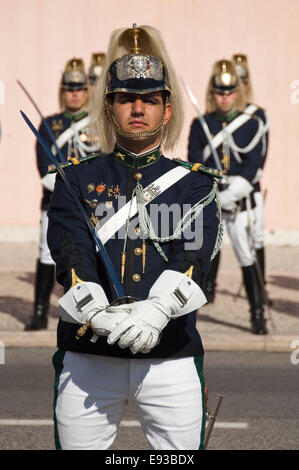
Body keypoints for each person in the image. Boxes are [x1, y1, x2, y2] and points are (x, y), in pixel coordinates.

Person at [47, 25, 221, 450]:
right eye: (126, 98)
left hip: (170, 356)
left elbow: (195, 256)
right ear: (109, 108)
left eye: (149, 99)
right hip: (90, 356)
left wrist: (157, 312)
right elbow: (70, 251)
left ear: (166, 109)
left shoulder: (194, 185)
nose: (137, 108)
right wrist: (97, 312)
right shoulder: (75, 179)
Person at [188, 59, 267, 335]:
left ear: (239, 91)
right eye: (220, 92)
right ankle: (191, 314)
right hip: (213, 200)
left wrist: (233, 192)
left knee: (247, 256)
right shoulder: (201, 124)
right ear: (212, 93)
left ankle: (258, 315)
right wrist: (217, 193)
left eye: (230, 91)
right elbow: (195, 163)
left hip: (240, 202)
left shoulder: (253, 123)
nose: (225, 97)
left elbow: (253, 164)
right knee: (203, 254)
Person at [26, 58, 100, 331]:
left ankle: (88, 310)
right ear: (62, 90)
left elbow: (103, 164)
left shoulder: (98, 124)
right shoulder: (49, 124)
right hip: (55, 203)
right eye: (69, 88)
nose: (74, 93)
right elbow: (46, 171)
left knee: (89, 256)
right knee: (47, 254)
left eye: (79, 88)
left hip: (92, 205)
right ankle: (40, 312)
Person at [232, 54, 270, 286]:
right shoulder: (220, 119)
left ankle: (261, 284)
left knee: (256, 237)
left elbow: (261, 154)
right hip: (227, 187)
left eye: (243, 81)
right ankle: (209, 287)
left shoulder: (257, 115)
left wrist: (245, 181)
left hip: (250, 186)